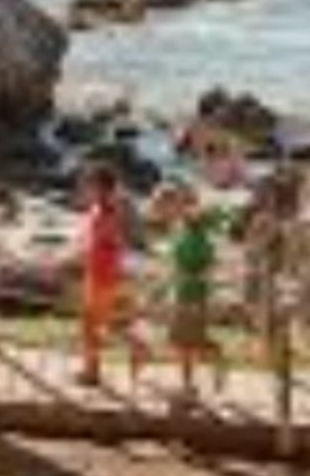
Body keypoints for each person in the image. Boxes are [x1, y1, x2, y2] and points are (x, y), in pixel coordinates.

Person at [76, 162, 148, 387]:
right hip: (96, 271)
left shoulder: (108, 211)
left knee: (93, 324)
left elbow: (114, 241)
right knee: (95, 323)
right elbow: (94, 241)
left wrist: (104, 252)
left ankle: (95, 370)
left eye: (89, 184)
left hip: (102, 274)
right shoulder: (99, 208)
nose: (85, 188)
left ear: (100, 187)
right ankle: (93, 368)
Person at [163, 185, 225, 399]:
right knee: (187, 342)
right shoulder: (194, 238)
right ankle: (193, 378)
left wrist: (187, 277)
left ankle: (188, 385)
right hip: (190, 295)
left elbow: (183, 269)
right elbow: (181, 266)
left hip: (189, 295)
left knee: (186, 344)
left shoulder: (193, 240)